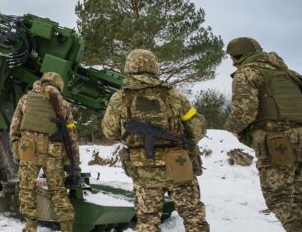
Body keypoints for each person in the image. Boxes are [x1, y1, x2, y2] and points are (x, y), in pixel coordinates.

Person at [101, 49, 209, 232]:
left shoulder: (119, 98)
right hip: (179, 164)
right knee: (194, 218)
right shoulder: (174, 95)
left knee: (147, 221)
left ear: (129, 67)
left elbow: (110, 132)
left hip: (144, 168)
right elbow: (198, 129)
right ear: (154, 67)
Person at [224, 37, 302, 231]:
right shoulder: (289, 74)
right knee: (298, 196)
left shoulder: (247, 72)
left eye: (232, 58)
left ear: (237, 56)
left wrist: (233, 128)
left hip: (277, 142)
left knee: (279, 197)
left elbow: (244, 111)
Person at [9, 71, 78, 232]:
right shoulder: (63, 104)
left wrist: (16, 149)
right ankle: (67, 228)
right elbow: (72, 136)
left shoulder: (25, 99)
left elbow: (14, 127)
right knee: (58, 191)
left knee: (27, 190)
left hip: (28, 151)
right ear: (58, 85)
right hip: (53, 153)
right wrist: (73, 161)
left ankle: (30, 227)